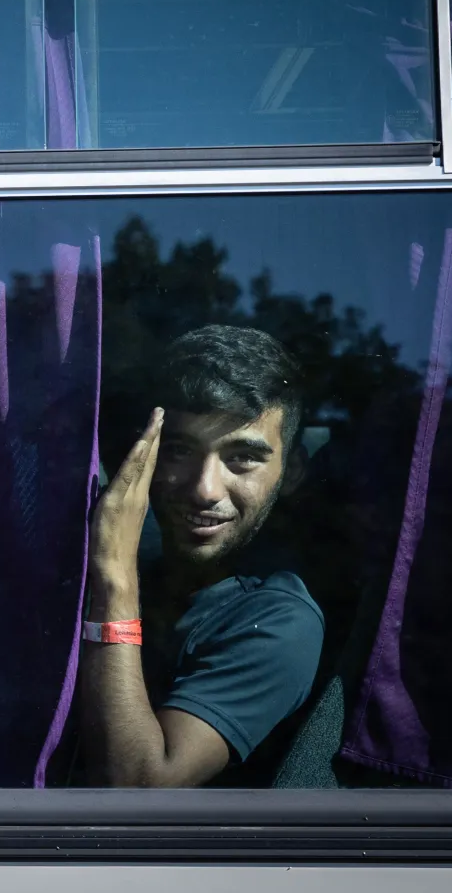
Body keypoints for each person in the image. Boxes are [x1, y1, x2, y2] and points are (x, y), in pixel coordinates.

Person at [78, 324, 324, 787]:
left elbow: (138, 784)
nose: (204, 489)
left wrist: (114, 574)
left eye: (242, 458)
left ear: (290, 473)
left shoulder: (281, 621)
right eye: (178, 451)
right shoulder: (141, 572)